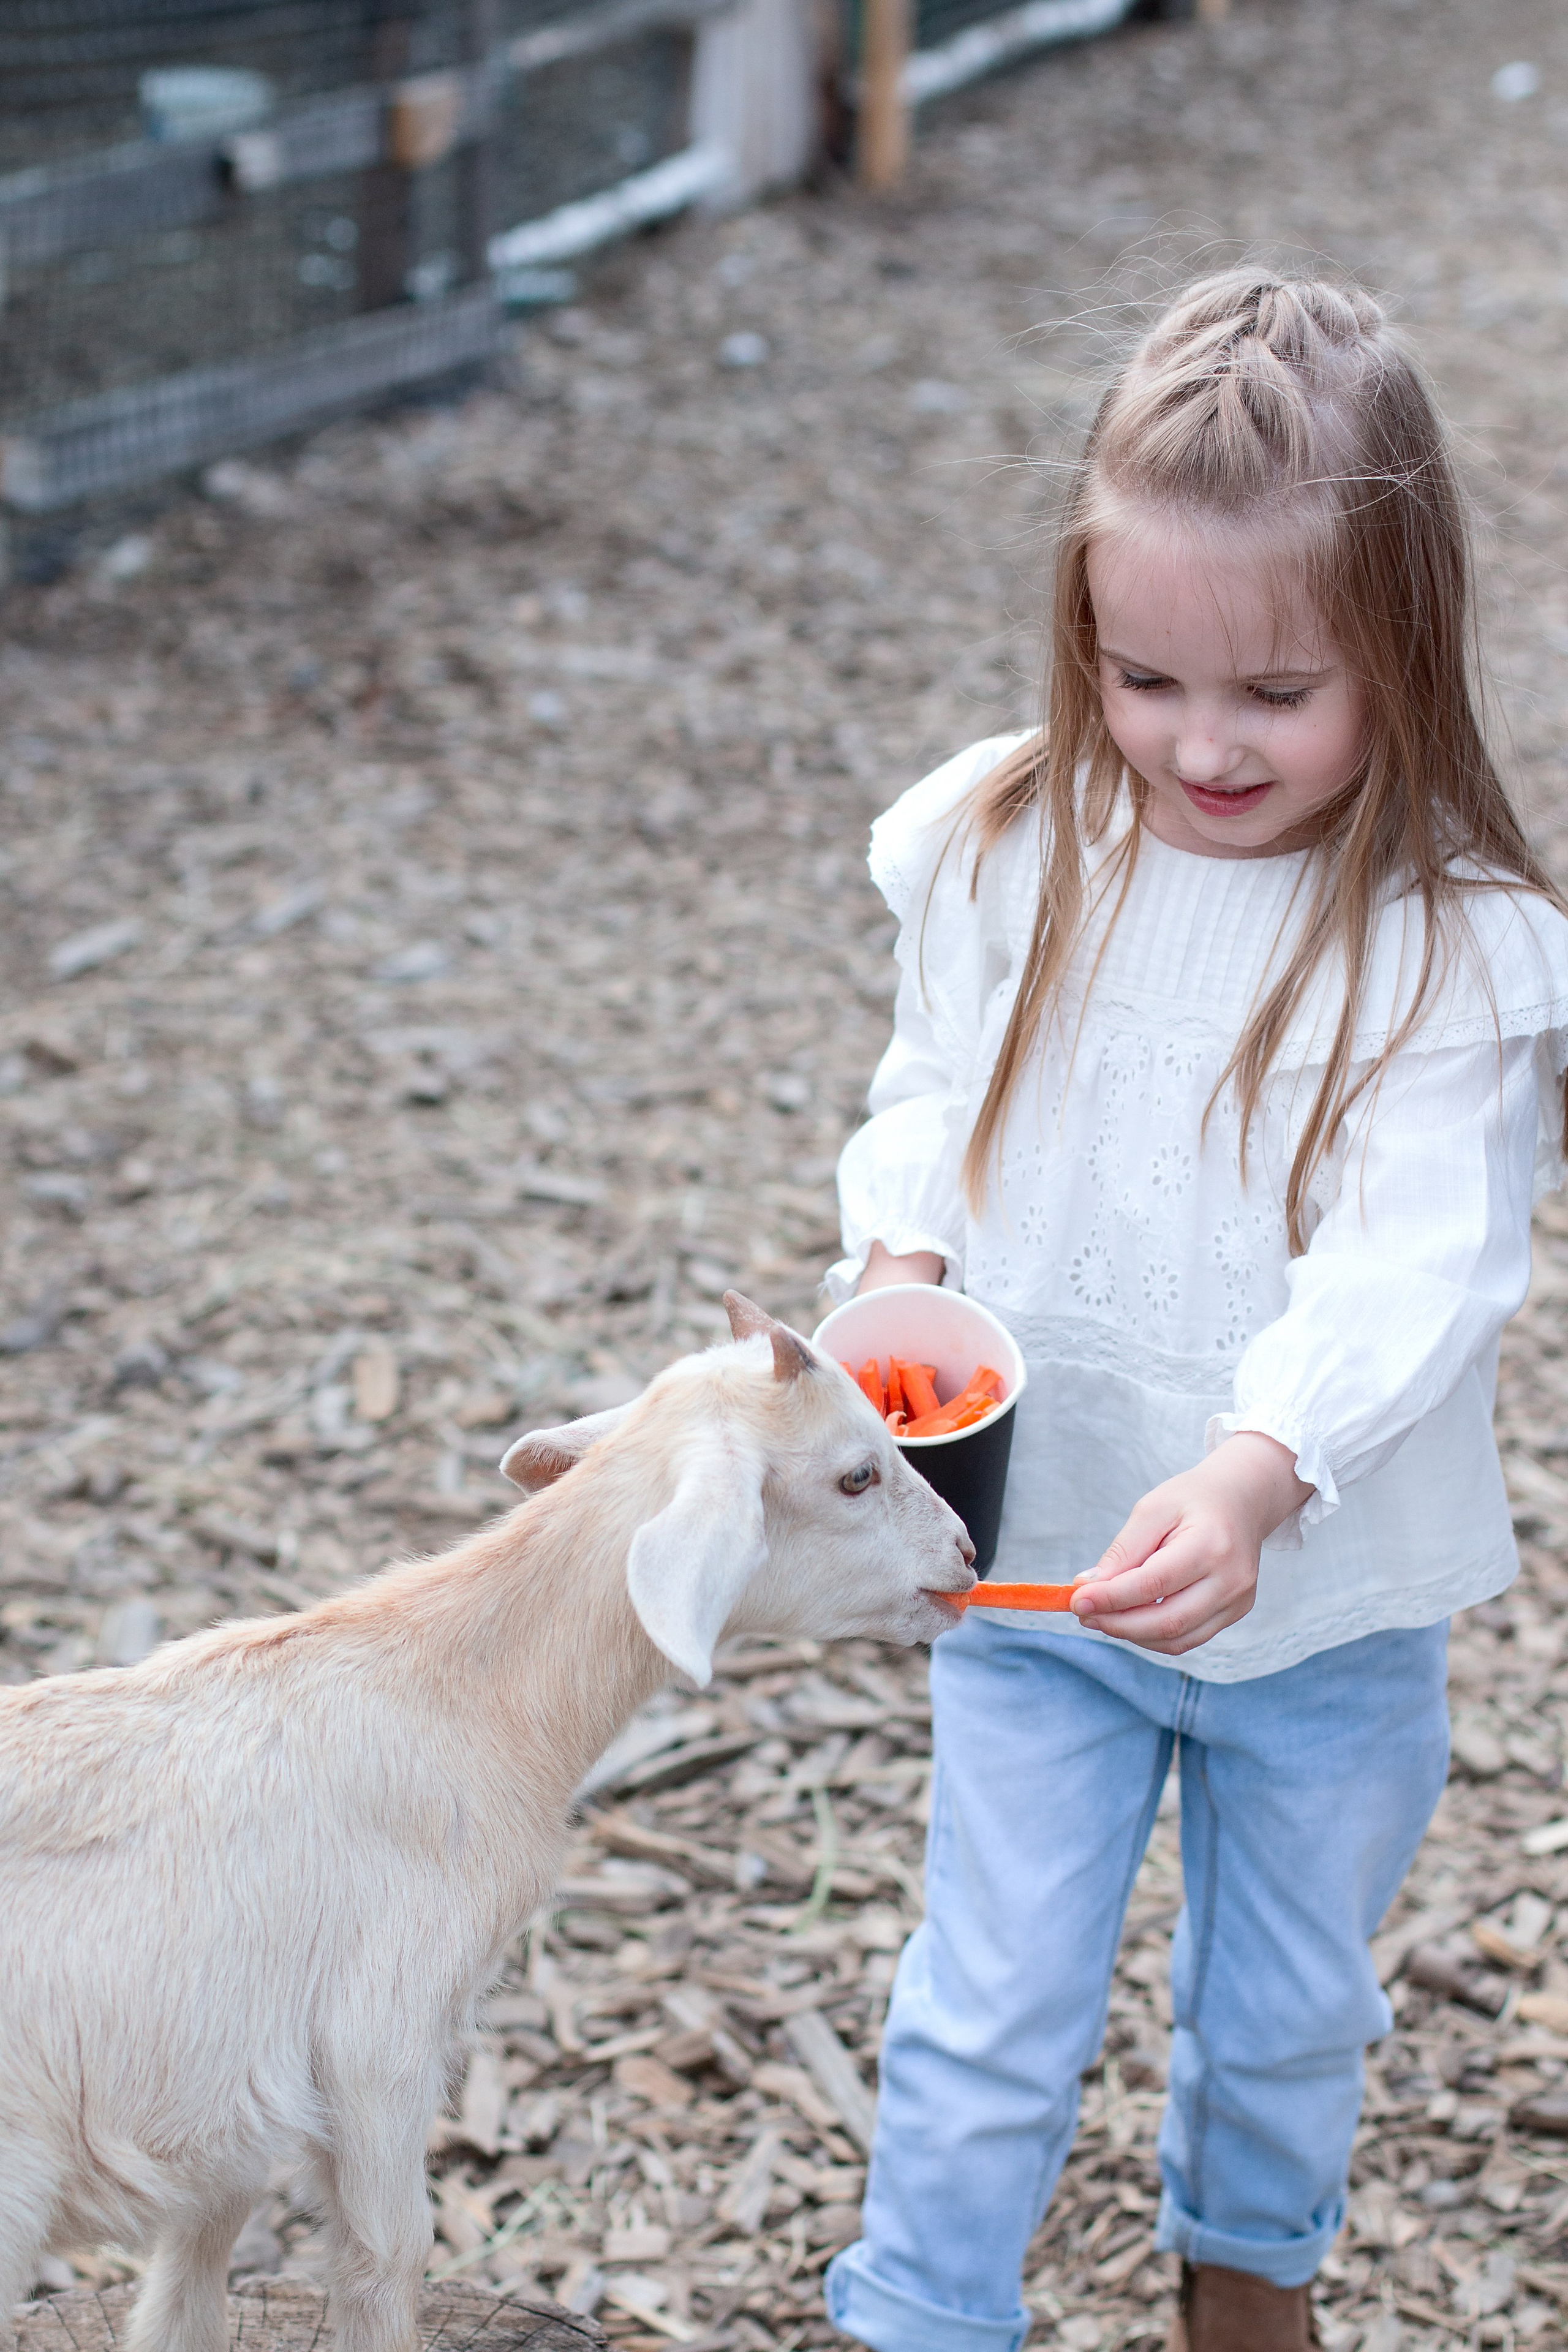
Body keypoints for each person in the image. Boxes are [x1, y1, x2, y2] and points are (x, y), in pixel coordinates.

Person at [820, 272, 1568, 2352]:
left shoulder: (1448, 955)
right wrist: (899, 1275)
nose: (1201, 745)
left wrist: (1253, 1482)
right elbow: (932, 1099)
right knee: (986, 1995)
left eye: (1278, 694)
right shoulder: (1009, 842)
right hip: (1040, 1560)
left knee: (1288, 2007)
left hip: (1318, 1609)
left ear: (1403, 658)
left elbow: (1417, 1262)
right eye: (1143, 678)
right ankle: (921, 2313)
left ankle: (1248, 2275)